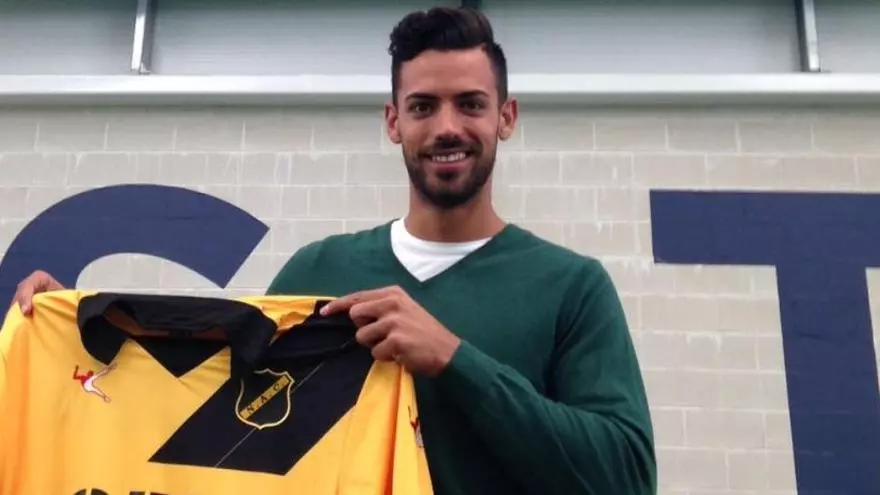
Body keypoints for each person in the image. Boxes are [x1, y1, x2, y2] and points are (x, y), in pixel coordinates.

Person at [11, 6, 656, 495]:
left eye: (470, 104)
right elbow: (212, 408)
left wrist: (454, 360)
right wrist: (75, 329)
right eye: (423, 106)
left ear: (505, 117)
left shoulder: (571, 287)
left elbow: (626, 475)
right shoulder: (320, 269)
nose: (447, 127)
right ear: (393, 122)